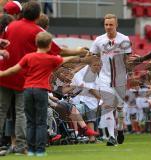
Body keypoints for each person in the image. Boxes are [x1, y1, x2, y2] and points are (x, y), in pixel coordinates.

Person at [0, 1, 89, 155]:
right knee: (21, 113)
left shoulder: (10, 27)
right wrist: (79, 51)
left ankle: (9, 144)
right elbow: (58, 52)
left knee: (1, 112)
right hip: (23, 80)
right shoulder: (37, 30)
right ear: (37, 15)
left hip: (5, 75)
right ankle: (21, 146)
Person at [90, 13, 132, 146]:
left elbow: (128, 59)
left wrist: (131, 65)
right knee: (107, 106)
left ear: (116, 25)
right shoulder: (98, 40)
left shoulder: (124, 39)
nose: (108, 27)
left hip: (120, 78)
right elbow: (93, 57)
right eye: (106, 24)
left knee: (119, 108)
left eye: (111, 25)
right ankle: (111, 137)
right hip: (104, 77)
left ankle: (120, 129)